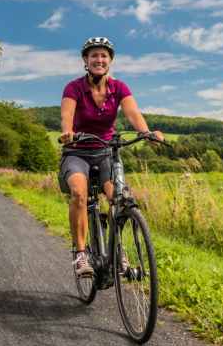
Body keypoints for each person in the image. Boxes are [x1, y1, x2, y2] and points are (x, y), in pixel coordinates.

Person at [58, 37, 163, 278]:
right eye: (94, 55)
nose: (99, 59)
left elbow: (133, 113)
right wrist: (67, 132)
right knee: (79, 193)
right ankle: (81, 254)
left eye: (104, 56)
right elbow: (67, 115)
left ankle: (119, 249)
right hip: (77, 152)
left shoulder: (119, 88)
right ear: (86, 60)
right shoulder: (73, 88)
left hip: (106, 152)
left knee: (118, 198)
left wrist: (146, 132)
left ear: (110, 61)